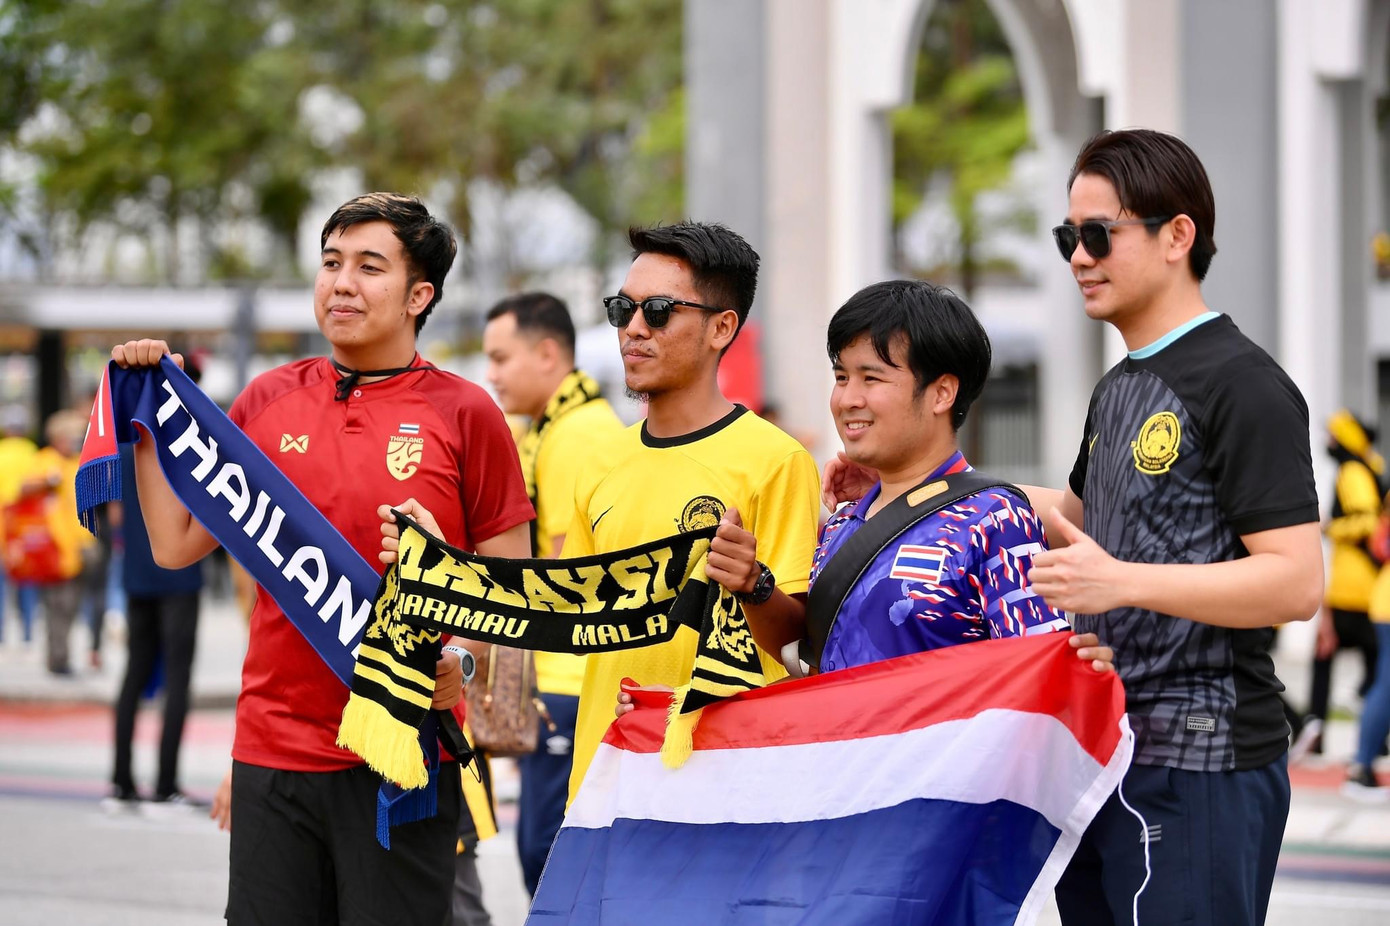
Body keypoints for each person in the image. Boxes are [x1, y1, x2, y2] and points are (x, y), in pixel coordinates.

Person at [111, 192, 534, 925]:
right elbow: (175, 544)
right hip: (272, 752)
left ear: (418, 295)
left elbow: (517, 593)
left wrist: (460, 661)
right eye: (331, 263)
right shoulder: (267, 399)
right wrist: (146, 418)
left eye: (370, 267)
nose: (341, 283)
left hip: (404, 761)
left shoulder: (465, 413)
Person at [1023, 129, 1322, 926]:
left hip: (1204, 758)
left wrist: (1118, 582)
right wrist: (923, 490)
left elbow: (1296, 581)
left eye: (1098, 234)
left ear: (1177, 236)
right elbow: (1078, 523)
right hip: (1107, 751)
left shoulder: (1244, 384)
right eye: (1067, 238)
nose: (1079, 257)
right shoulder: (1121, 385)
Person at [619, 279, 1114, 722]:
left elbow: (1039, 685)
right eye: (840, 377)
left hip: (943, 810)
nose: (847, 398)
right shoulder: (842, 521)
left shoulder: (996, 518)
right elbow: (807, 661)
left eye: (871, 378)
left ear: (941, 393)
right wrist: (753, 588)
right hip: (847, 803)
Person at [562, 221, 822, 801]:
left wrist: (753, 584)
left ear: (721, 327)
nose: (633, 329)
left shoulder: (776, 461)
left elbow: (799, 638)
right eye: (621, 309)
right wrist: (449, 563)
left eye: (657, 311)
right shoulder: (599, 461)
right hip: (607, 776)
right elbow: (568, 615)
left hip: (722, 782)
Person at [482, 291, 624, 895]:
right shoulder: (552, 426)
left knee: (547, 850)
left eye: (500, 358)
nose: (491, 374)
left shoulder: (578, 435)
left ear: (547, 354)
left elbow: (569, 566)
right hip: (559, 674)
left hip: (572, 677)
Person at [107, 436, 204, 810]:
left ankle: (121, 779)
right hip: (180, 575)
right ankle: (166, 783)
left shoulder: (128, 449)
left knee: (134, 674)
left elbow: (114, 513)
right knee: (177, 680)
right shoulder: (185, 445)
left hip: (137, 574)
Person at [1301, 410, 1384, 760]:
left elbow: (1365, 518)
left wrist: (1329, 527)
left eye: (1334, 436)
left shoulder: (1352, 471)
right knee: (1376, 667)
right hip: (1368, 588)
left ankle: (1317, 727)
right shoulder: (1372, 466)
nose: (1329, 443)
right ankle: (1375, 740)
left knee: (1325, 658)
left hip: (1353, 588)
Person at [17, 410, 93, 674]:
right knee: (57, 606)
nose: (75, 441)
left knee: (71, 606)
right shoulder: (45, 460)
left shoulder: (76, 461)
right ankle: (58, 658)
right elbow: (24, 489)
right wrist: (48, 482)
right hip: (53, 548)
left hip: (78, 547)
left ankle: (62, 655)